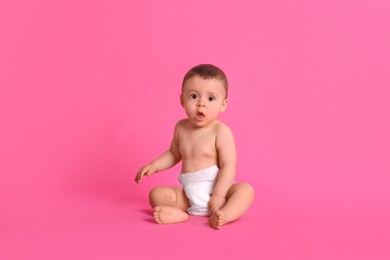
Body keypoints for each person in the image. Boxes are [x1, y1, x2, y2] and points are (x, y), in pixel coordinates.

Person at [134, 64, 254, 229]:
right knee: (157, 192)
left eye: (210, 98)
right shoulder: (181, 127)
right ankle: (176, 212)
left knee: (245, 190)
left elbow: (228, 165)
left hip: (218, 190)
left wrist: (219, 195)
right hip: (189, 193)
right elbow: (174, 154)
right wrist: (154, 165)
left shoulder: (221, 131)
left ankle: (225, 215)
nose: (201, 104)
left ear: (223, 104)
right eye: (194, 96)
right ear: (182, 100)